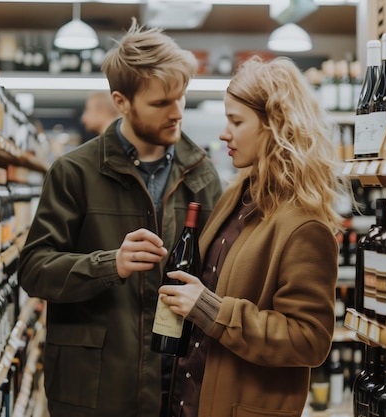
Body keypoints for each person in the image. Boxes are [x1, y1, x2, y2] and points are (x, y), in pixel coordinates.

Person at [18, 19, 223, 417]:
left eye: (181, 98)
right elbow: (33, 270)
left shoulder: (202, 175)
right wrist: (109, 263)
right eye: (161, 103)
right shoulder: (74, 172)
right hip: (96, 388)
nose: (177, 113)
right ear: (121, 101)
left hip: (173, 383)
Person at [160, 56, 347, 417]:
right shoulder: (238, 195)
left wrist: (211, 310)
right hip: (192, 399)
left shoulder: (304, 226)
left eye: (236, 121)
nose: (223, 133)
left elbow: (310, 340)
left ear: (274, 126)